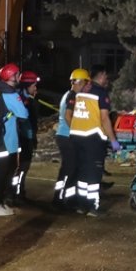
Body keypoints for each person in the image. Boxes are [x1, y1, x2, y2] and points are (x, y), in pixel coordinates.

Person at [67, 65, 118, 217]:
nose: (107, 79)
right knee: (94, 175)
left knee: (82, 173)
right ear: (101, 75)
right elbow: (104, 118)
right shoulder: (100, 93)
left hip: (76, 137)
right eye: (106, 76)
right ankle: (93, 207)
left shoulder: (80, 91)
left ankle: (82, 205)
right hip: (92, 138)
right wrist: (113, 140)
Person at [0, 63, 29, 216]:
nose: (19, 77)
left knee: (4, 171)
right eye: (17, 74)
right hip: (6, 139)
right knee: (3, 172)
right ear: (12, 76)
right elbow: (24, 114)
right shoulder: (10, 94)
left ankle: (0, 203)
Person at [53, 69, 87, 210]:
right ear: (79, 82)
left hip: (64, 136)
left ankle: (66, 199)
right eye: (85, 82)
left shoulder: (69, 94)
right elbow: (68, 116)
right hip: (67, 137)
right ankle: (60, 200)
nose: (86, 86)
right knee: (69, 170)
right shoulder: (72, 96)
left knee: (69, 170)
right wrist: (76, 132)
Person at [16, 70, 41, 201]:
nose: (35, 88)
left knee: (21, 168)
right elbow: (27, 121)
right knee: (22, 167)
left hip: (27, 138)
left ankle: (17, 192)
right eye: (33, 86)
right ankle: (17, 193)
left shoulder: (26, 99)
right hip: (23, 139)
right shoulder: (24, 102)